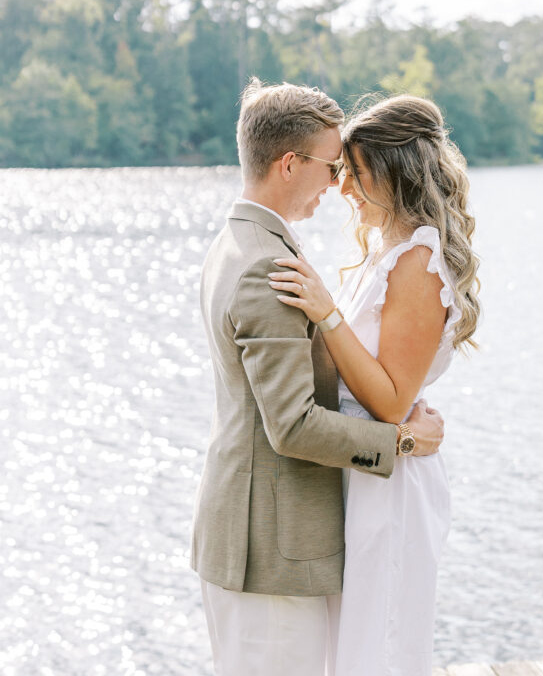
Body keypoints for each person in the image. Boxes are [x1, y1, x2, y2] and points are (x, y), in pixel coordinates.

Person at [190, 79, 445, 676]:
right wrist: (404, 440)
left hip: (255, 538)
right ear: (288, 163)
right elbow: (293, 426)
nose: (337, 185)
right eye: (332, 167)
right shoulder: (266, 266)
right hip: (270, 549)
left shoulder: (240, 241)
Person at [269, 93, 480, 676]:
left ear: (395, 175)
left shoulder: (418, 261)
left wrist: (325, 312)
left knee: (378, 647)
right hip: (358, 472)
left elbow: (388, 403)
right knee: (351, 645)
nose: (342, 189)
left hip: (388, 488)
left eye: (355, 174)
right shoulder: (387, 252)